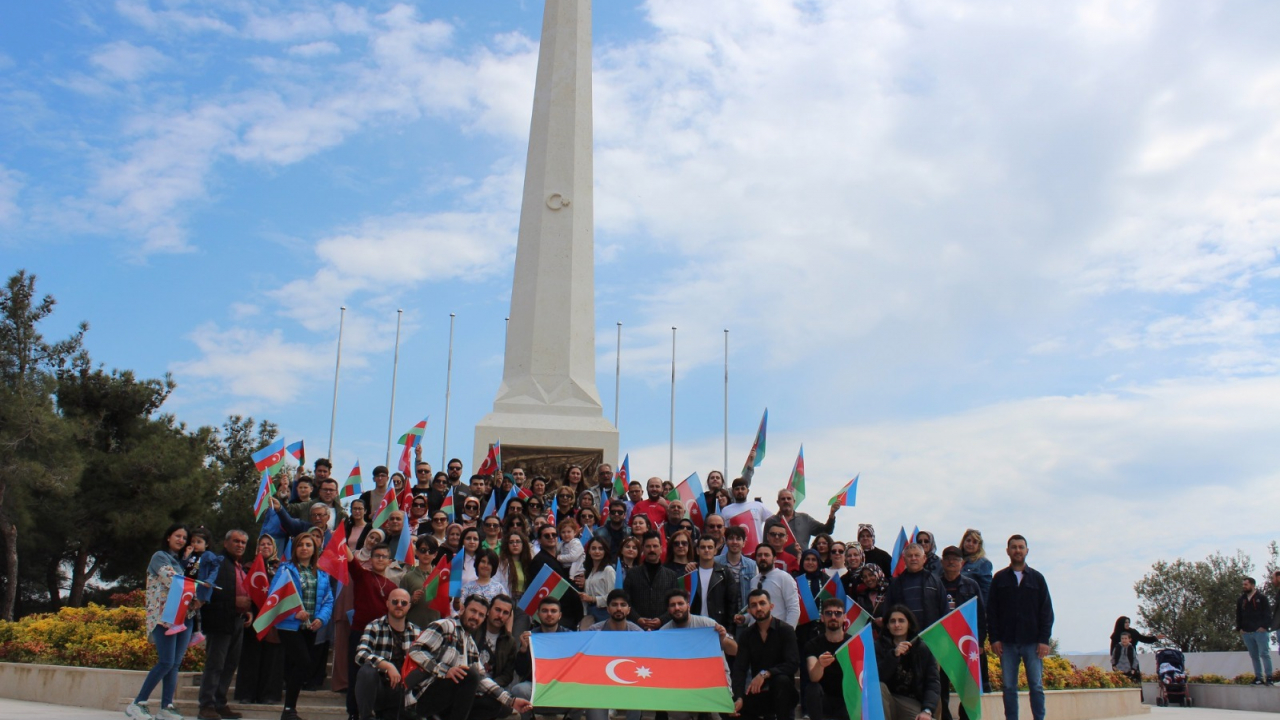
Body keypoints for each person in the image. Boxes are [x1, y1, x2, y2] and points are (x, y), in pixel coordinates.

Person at [403, 595, 533, 720]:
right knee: (469, 674)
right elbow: (416, 650)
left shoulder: (470, 643)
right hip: (421, 695)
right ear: (463, 609)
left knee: (495, 705)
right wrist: (445, 670)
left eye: (481, 615)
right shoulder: (446, 625)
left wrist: (511, 701)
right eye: (473, 611)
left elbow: (482, 678)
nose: (476, 617)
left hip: (447, 701)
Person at [126, 525, 193, 720]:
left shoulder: (181, 562)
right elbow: (172, 580)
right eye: (178, 536)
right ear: (168, 537)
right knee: (165, 662)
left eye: (184, 537)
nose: (181, 540)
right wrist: (198, 588)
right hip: (165, 617)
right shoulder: (160, 556)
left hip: (185, 616)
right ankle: (137, 703)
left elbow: (189, 579)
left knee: (174, 664)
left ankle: (166, 707)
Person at [987, 535, 1053, 720]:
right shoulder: (999, 579)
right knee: (1009, 687)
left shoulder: (1038, 579)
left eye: (1021, 547)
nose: (1017, 550)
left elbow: (1046, 611)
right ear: (1008, 551)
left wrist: (1044, 640)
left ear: (1027, 551)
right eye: (1014, 547)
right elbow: (991, 611)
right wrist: (994, 639)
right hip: (1007, 643)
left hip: (1032, 643)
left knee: (1036, 686)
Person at [272, 533, 334, 720]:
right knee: (304, 662)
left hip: (310, 627)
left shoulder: (321, 573)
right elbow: (274, 597)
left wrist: (321, 619)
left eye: (309, 545)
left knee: (297, 665)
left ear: (315, 549)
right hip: (289, 625)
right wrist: (293, 614)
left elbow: (328, 600)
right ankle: (289, 708)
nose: (304, 548)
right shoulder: (285, 570)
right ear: (294, 548)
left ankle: (289, 710)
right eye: (301, 545)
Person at [196, 530, 250, 720]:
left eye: (243, 542)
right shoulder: (216, 563)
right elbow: (208, 592)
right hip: (219, 621)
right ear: (226, 543)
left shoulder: (239, 567)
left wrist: (247, 611)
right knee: (215, 664)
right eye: (236, 541)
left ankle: (219, 703)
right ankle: (207, 705)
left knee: (229, 665)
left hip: (236, 620)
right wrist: (236, 601)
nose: (240, 545)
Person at [661, 589, 737, 720]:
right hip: (680, 686)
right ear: (668, 609)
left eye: (680, 603)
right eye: (672, 605)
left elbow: (734, 651)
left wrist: (723, 638)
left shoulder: (708, 624)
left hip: (714, 683)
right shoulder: (663, 633)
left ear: (688, 605)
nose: (677, 608)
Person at [343, 542, 398, 720]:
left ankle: (377, 710)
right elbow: (351, 561)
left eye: (384, 556)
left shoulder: (393, 587)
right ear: (371, 559)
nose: (380, 559)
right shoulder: (362, 576)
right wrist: (341, 540)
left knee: (378, 674)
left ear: (390, 561)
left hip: (382, 636)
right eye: (377, 556)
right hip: (359, 632)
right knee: (355, 673)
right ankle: (353, 712)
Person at [732, 589, 799, 720]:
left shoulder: (786, 630)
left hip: (784, 693)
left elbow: (792, 664)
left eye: (762, 603)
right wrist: (738, 697)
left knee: (781, 681)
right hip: (760, 692)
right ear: (750, 611)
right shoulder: (747, 635)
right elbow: (740, 669)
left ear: (771, 606)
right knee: (729, 709)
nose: (758, 608)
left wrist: (766, 673)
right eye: (754, 605)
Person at [353, 589, 420, 720]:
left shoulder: (417, 632)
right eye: (395, 601)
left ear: (409, 606)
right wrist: (387, 666)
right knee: (366, 671)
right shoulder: (374, 626)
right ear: (388, 603)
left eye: (404, 602)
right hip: (379, 688)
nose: (399, 605)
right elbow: (360, 654)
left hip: (403, 692)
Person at [235, 535, 283, 706]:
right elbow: (244, 589)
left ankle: (268, 694)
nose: (265, 546)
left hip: (273, 618)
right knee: (251, 657)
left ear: (274, 547)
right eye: (261, 544)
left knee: (272, 658)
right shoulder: (248, 568)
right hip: (254, 617)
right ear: (257, 548)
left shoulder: (281, 568)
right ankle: (247, 694)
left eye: (269, 544)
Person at [938, 546, 983, 720]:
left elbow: (980, 615)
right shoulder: (936, 584)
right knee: (941, 684)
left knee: (967, 685)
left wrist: (980, 643)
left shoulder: (972, 585)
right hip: (942, 642)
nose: (951, 562)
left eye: (955, 559)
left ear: (962, 563)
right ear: (942, 562)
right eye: (948, 558)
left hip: (965, 642)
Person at [510, 597, 575, 717]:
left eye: (553, 611)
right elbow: (520, 671)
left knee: (584, 692)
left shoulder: (571, 638)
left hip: (562, 689)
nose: (549, 614)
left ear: (560, 615)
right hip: (536, 688)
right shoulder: (529, 637)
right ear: (538, 614)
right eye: (545, 611)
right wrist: (523, 650)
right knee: (519, 690)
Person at [584, 590, 644, 720]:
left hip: (630, 684)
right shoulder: (594, 631)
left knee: (639, 693)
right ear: (608, 609)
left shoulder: (638, 633)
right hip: (600, 684)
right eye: (614, 605)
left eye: (623, 605)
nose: (618, 608)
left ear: (628, 610)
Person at [877, 605, 941, 720]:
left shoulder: (922, 648)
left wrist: (927, 710)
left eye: (901, 621)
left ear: (909, 624)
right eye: (892, 621)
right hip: (886, 699)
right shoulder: (878, 646)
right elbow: (877, 677)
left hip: (912, 702)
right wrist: (893, 656)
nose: (897, 625)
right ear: (887, 625)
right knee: (878, 687)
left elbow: (933, 682)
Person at [804, 597, 852, 720]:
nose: (833, 617)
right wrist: (820, 664)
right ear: (822, 618)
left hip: (848, 699)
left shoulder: (853, 642)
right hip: (824, 699)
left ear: (845, 617)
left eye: (838, 613)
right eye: (829, 613)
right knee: (812, 688)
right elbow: (813, 677)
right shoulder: (813, 644)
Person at [883, 544, 949, 630]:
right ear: (904, 559)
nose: (913, 558)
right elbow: (888, 611)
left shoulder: (935, 581)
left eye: (917, 555)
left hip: (931, 634)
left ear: (924, 558)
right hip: (905, 635)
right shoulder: (895, 584)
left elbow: (944, 610)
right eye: (910, 556)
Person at [623, 532, 680, 629]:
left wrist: (662, 620)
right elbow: (626, 601)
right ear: (643, 549)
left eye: (655, 546)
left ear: (661, 549)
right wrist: (637, 619)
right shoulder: (632, 574)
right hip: (636, 628)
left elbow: (676, 603)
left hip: (664, 628)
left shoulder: (671, 575)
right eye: (648, 546)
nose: (652, 550)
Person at [743, 544, 799, 627]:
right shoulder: (754, 580)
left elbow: (794, 609)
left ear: (774, 558)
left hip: (777, 633)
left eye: (766, 555)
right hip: (755, 634)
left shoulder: (784, 578)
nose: (763, 558)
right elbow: (756, 609)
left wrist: (787, 634)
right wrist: (745, 618)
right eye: (759, 555)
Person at [763, 488, 836, 551]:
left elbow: (827, 530)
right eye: (783, 499)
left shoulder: (805, 518)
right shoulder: (771, 521)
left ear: (794, 501)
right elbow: (765, 546)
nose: (786, 501)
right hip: (778, 563)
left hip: (802, 563)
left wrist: (832, 514)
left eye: (789, 498)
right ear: (778, 502)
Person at [691, 536, 739, 628]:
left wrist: (729, 631)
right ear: (697, 551)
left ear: (715, 551)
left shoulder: (725, 573)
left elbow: (732, 605)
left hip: (717, 626)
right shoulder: (690, 573)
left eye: (710, 547)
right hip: (694, 625)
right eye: (703, 547)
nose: (706, 550)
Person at [475, 595, 519, 692]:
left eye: (505, 613)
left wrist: (489, 686)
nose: (500, 616)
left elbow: (507, 675)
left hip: (493, 688)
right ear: (488, 610)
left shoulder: (510, 642)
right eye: (498, 610)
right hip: (469, 682)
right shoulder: (474, 629)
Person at [1236, 576, 1274, 685]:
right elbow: (1238, 614)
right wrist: (1240, 628)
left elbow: (1267, 613)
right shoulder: (1241, 600)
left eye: (1246, 584)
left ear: (1252, 585)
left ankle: (1269, 677)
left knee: (1264, 654)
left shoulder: (1261, 598)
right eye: (1243, 585)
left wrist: (1264, 626)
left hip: (1260, 631)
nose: (1244, 587)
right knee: (1254, 656)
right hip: (1247, 632)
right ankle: (1258, 677)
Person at [401, 536, 443, 629]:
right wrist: (411, 599)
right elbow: (400, 604)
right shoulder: (408, 577)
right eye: (423, 550)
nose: (427, 554)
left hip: (435, 627)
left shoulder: (441, 576)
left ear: (435, 554)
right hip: (412, 627)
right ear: (417, 552)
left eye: (430, 551)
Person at [717, 525, 759, 608]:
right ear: (726, 542)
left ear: (744, 543)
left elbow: (755, 593)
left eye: (738, 539)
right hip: (721, 613)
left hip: (744, 614)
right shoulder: (716, 562)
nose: (734, 542)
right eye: (731, 538)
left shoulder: (752, 565)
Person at [578, 537, 616, 627]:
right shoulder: (590, 571)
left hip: (604, 613)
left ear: (605, 551)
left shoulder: (608, 570)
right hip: (591, 612)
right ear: (589, 551)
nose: (597, 551)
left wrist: (592, 599)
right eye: (594, 548)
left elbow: (613, 597)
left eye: (600, 548)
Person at [496, 530, 533, 599]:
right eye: (511, 542)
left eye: (518, 541)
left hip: (524, 600)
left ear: (523, 544)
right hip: (507, 598)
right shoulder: (501, 563)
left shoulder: (528, 563)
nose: (515, 544)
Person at [959, 529, 992, 603]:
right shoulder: (956, 560)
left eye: (974, 542)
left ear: (979, 546)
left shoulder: (983, 563)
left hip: (971, 605)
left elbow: (986, 590)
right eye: (968, 540)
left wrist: (984, 610)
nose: (970, 544)